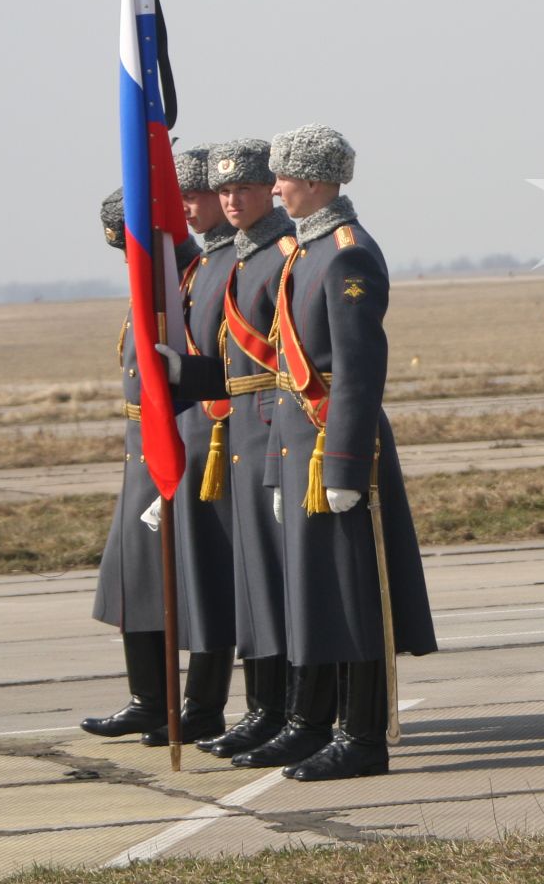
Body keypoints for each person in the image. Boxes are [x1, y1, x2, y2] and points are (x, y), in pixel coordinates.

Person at [249, 124, 436, 780]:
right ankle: (314, 724)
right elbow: (282, 370)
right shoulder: (308, 251)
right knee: (318, 595)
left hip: (337, 448)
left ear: (319, 180)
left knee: (356, 599)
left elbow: (357, 370)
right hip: (302, 450)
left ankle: (361, 738)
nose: (275, 186)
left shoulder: (346, 254)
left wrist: (348, 466)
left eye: (284, 176)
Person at [80, 187, 202, 739]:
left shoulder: (187, 283)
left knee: (195, 586)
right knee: (131, 578)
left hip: (178, 445)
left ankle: (196, 707)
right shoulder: (152, 283)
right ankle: (149, 698)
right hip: (142, 449)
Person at [197, 139, 300, 759]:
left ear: (272, 189)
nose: (231, 200)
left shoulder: (284, 254)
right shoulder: (243, 256)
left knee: (279, 579)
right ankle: (264, 707)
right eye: (225, 191)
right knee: (254, 579)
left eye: (244, 189)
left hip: (274, 426)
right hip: (241, 428)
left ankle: (289, 708)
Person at [160, 145, 239, 745]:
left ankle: (276, 707)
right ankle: (202, 704)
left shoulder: (241, 260)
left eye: (192, 196)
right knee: (208, 581)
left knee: (245, 582)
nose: (185, 209)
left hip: (234, 434)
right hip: (199, 435)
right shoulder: (200, 264)